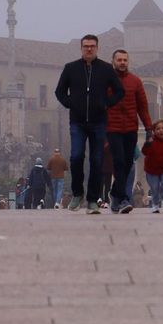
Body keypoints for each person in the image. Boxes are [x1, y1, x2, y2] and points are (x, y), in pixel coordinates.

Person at [54, 33, 121, 214]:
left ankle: (92, 200)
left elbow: (119, 91)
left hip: (99, 121)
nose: (89, 49)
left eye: (92, 46)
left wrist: (106, 104)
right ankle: (77, 194)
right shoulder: (71, 68)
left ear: (97, 48)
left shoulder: (107, 69)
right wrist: (71, 103)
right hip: (77, 121)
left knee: (97, 160)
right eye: (86, 46)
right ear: (81, 48)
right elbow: (59, 91)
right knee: (76, 157)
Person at [105, 49, 154, 214]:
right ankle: (125, 198)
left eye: (125, 60)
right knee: (119, 162)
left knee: (127, 164)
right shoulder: (105, 82)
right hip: (112, 129)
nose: (122, 62)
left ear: (128, 62)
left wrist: (149, 128)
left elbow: (143, 108)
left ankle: (115, 194)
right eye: (119, 60)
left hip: (131, 129)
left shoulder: (136, 81)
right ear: (113, 61)